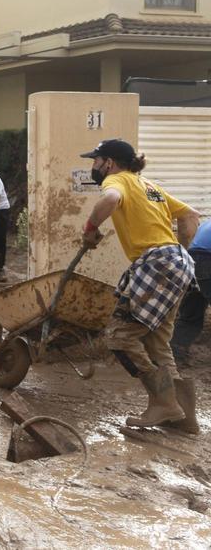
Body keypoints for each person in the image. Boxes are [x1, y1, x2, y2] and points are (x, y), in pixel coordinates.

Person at [81, 138, 199, 429]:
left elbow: (110, 200)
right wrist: (179, 251)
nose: (94, 165)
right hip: (179, 262)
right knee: (158, 343)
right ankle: (183, 418)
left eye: (96, 160)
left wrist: (90, 229)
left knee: (119, 337)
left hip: (156, 263)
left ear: (109, 163)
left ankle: (163, 403)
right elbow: (190, 216)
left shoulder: (116, 180)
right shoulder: (150, 186)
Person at [172, 220, 211, 365]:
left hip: (191, 261)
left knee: (191, 314)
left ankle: (176, 354)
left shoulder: (207, 223)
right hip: (208, 258)